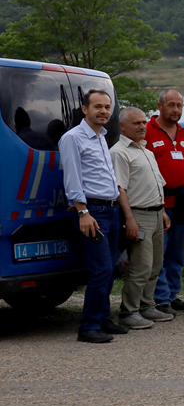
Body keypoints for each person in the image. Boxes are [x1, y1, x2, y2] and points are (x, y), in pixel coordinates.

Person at [60, 89, 128, 343]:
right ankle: (88, 326)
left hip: (111, 209)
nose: (104, 111)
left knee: (109, 268)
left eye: (107, 107)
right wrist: (83, 213)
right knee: (100, 269)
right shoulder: (73, 138)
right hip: (93, 211)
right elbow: (73, 179)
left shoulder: (102, 136)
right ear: (84, 109)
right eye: (97, 106)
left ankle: (101, 319)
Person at [111, 107, 174, 329]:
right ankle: (129, 311)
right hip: (138, 214)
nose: (141, 126)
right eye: (136, 123)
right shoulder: (119, 153)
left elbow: (156, 184)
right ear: (122, 126)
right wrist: (130, 219)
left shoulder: (146, 151)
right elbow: (120, 189)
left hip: (156, 213)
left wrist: (163, 210)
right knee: (141, 267)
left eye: (143, 122)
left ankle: (147, 306)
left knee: (156, 265)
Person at [147, 88, 184, 314]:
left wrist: (181, 181)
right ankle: (160, 299)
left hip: (182, 202)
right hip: (159, 203)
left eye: (180, 105)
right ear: (160, 106)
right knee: (160, 253)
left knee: (177, 253)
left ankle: (173, 294)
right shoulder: (147, 130)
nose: (176, 109)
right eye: (171, 105)